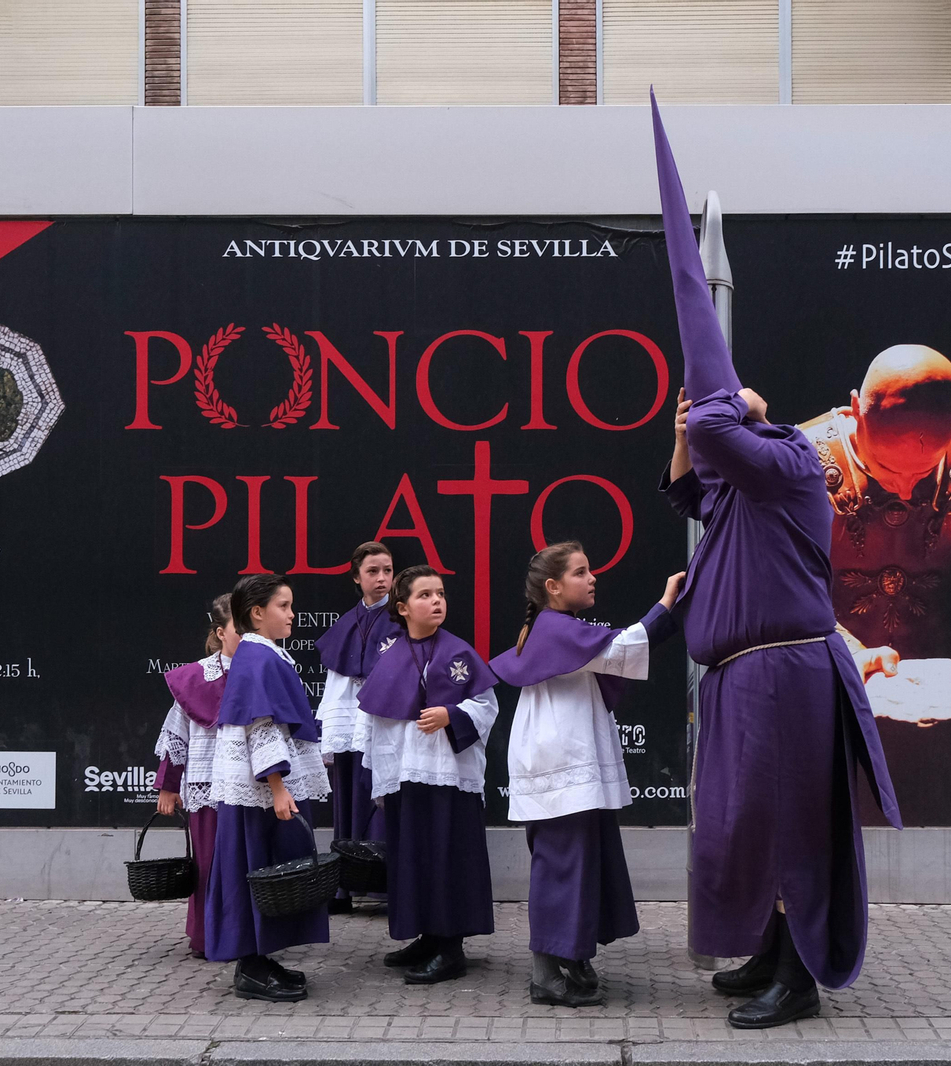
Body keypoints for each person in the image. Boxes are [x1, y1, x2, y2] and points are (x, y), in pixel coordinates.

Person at [650, 94, 901, 1029]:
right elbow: (689, 488)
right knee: (749, 830)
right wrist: (686, 428)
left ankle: (797, 980)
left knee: (790, 827)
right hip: (741, 678)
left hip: (786, 673)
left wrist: (736, 403)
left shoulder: (791, 464)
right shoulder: (740, 494)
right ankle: (764, 953)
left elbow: (728, 436)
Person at [489, 542, 684, 1007]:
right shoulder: (556, 627)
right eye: (580, 572)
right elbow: (624, 649)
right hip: (561, 760)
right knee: (562, 865)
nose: (592, 578)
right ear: (553, 587)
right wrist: (666, 602)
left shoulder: (555, 626)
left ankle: (572, 957)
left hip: (566, 756)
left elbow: (614, 656)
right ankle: (545, 974)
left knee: (579, 861)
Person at [797, 345, 951, 692]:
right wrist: (841, 651)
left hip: (945, 681)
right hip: (819, 676)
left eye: (924, 471)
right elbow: (779, 582)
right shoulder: (798, 461)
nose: (904, 491)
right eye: (887, 468)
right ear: (856, 409)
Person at [356, 565, 499, 985]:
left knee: (447, 857)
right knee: (413, 858)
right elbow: (376, 719)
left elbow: (487, 707)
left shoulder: (459, 652)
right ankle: (427, 936)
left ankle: (450, 946)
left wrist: (451, 714)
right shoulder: (390, 656)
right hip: (406, 778)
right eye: (425, 595)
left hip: (449, 778)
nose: (436, 601)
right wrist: (378, 773)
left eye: (440, 593)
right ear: (402, 608)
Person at [203, 573, 332, 1002]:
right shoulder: (258, 658)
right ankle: (251, 966)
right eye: (284, 606)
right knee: (256, 866)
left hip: (264, 787)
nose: (292, 615)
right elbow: (261, 724)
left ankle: (259, 957)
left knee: (265, 866)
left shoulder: (263, 654)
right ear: (257, 613)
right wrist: (277, 787)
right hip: (260, 791)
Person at [313, 540, 400, 913]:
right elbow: (336, 683)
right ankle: (344, 887)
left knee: (382, 800)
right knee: (347, 801)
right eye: (372, 571)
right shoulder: (345, 623)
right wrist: (330, 728)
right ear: (356, 577)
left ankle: (386, 886)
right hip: (349, 726)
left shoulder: (402, 618)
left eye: (387, 571)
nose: (382, 578)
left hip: (384, 721)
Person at [153, 594, 241, 957]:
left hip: (249, 787)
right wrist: (168, 787)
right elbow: (177, 737)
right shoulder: (194, 678)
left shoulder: (264, 670)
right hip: (207, 788)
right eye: (240, 628)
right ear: (221, 632)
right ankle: (207, 938)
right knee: (208, 865)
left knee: (243, 865)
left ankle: (245, 939)